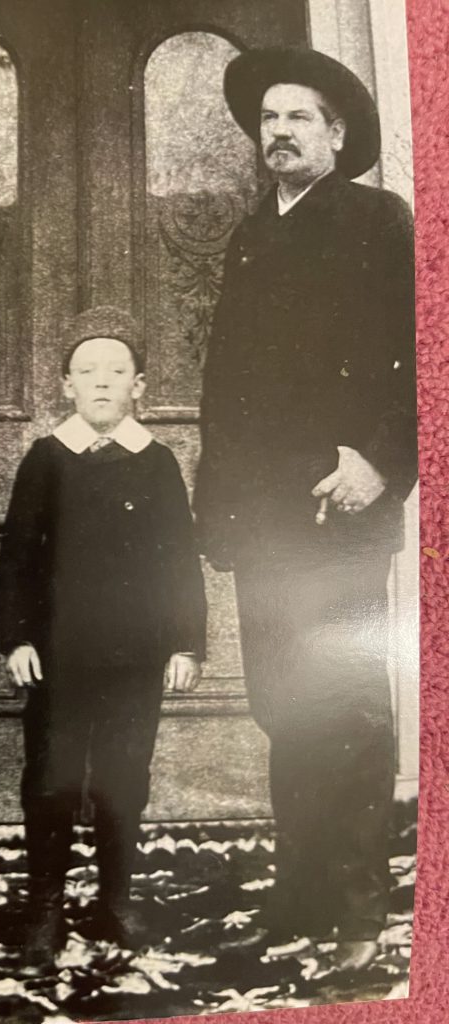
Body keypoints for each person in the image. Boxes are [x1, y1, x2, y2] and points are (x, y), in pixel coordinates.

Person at [194, 47, 416, 971]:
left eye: (298, 117)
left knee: (352, 707)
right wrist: (218, 508)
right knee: (285, 703)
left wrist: (384, 466)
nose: (277, 131)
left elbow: (425, 348)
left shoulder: (377, 220)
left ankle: (361, 911)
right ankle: (302, 893)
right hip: (265, 520)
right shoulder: (252, 236)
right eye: (268, 118)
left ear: (337, 135)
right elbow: (226, 387)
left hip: (343, 509)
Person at [0, 306, 208, 966]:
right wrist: (18, 639)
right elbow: (18, 560)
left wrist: (185, 643)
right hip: (58, 658)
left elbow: (180, 560)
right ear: (66, 385)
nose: (102, 383)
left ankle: (115, 901)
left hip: (135, 655)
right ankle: (46, 908)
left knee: (124, 777)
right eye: (87, 371)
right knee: (53, 778)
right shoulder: (46, 460)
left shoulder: (158, 463)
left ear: (140, 386)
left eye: (117, 371)